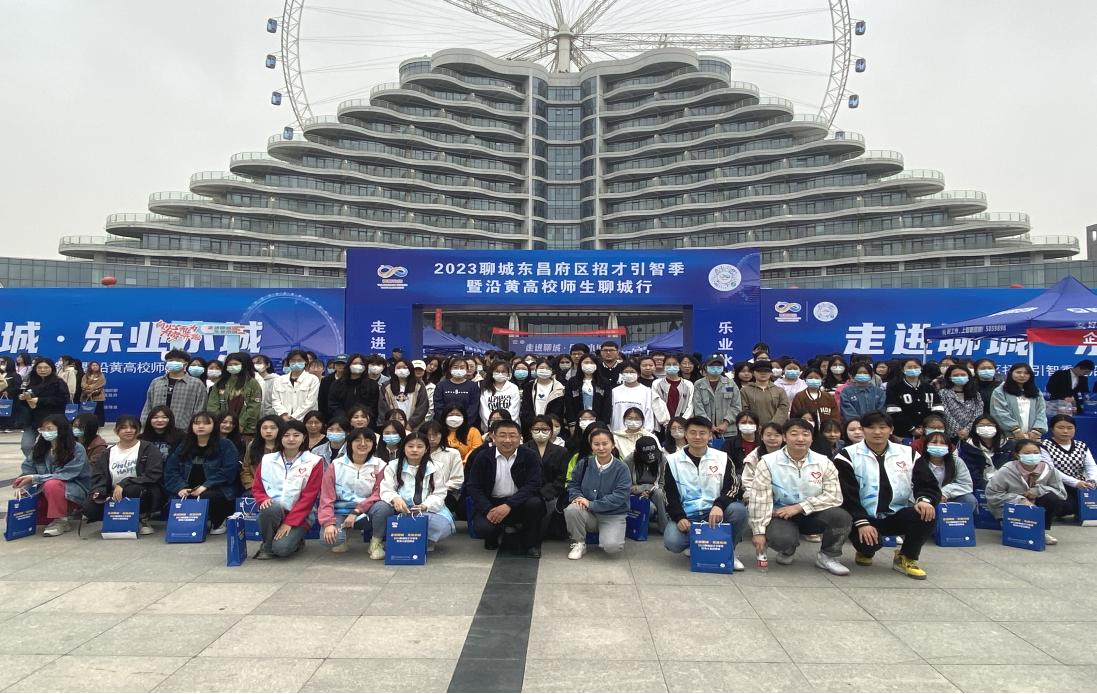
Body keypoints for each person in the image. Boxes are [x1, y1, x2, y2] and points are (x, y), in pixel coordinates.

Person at [833, 412, 940, 580]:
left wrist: (924, 500)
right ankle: (865, 551)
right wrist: (861, 522)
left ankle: (907, 557)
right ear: (863, 430)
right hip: (862, 517)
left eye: (882, 427)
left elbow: (927, 483)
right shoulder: (847, 455)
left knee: (926, 513)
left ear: (891, 430)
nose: (877, 432)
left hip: (896, 514)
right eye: (871, 428)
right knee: (869, 545)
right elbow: (846, 494)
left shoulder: (908, 453)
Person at [748, 419, 851, 574]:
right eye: (794, 434)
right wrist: (758, 532)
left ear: (812, 438)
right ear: (784, 437)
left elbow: (834, 496)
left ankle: (827, 556)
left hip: (814, 513)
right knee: (780, 538)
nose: (800, 439)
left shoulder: (823, 462)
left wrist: (799, 507)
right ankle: (787, 548)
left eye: (805, 434)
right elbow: (760, 499)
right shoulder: (768, 462)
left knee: (841, 517)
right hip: (780, 515)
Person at [662, 416, 748, 570]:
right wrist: (679, 517)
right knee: (672, 541)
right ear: (686, 434)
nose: (697, 437)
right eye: (692, 432)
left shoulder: (722, 458)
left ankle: (729, 552)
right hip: (688, 514)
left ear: (710, 435)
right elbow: (668, 494)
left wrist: (719, 505)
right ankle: (697, 546)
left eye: (702, 433)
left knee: (739, 510)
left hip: (715, 512)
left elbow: (732, 487)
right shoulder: (673, 461)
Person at [466, 419, 546, 558]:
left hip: (520, 502)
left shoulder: (530, 455)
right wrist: (487, 509)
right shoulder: (483, 456)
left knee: (535, 504)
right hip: (492, 504)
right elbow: (473, 486)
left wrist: (509, 505)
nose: (508, 440)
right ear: (493, 436)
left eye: (512, 436)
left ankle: (531, 544)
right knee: (483, 528)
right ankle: (493, 535)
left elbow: (533, 484)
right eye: (502, 435)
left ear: (520, 437)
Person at [252, 419, 324, 558]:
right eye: (286, 435)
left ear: (304, 437)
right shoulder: (267, 459)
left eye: (296, 435)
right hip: (275, 511)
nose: (291, 439)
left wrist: (289, 523)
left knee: (281, 550)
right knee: (270, 507)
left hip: (300, 515)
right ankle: (267, 546)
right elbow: (257, 487)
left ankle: (295, 540)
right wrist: (263, 499)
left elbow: (309, 497)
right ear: (280, 437)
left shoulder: (314, 461)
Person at [373, 432, 456, 552]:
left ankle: (421, 542)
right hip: (399, 510)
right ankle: (396, 540)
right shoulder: (393, 466)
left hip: (426, 511)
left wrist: (425, 505)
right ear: (404, 448)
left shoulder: (436, 467)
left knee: (441, 527)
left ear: (426, 449)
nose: (415, 450)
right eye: (410, 446)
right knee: (382, 509)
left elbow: (439, 493)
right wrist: (395, 499)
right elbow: (386, 489)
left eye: (420, 446)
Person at [82, 415, 163, 535]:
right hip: (113, 490)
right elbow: (99, 476)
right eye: (124, 427)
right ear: (116, 431)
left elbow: (153, 474)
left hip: (142, 488)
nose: (129, 430)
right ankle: (114, 520)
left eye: (133, 427)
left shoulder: (149, 448)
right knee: (89, 506)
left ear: (138, 430)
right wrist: (100, 492)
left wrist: (124, 484)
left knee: (131, 490)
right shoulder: (108, 452)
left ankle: (142, 519)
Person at [163, 411, 241, 535]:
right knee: (174, 499)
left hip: (218, 488)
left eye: (206, 423)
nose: (200, 426)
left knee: (209, 497)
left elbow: (229, 471)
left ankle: (219, 521)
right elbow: (171, 470)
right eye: (197, 423)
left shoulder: (226, 445)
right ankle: (190, 526)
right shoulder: (184, 445)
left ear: (214, 425)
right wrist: (181, 487)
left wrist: (205, 486)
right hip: (188, 487)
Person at [12, 414, 90, 537]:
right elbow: (28, 470)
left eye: (50, 429)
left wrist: (34, 478)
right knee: (28, 518)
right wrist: (23, 487)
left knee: (52, 484)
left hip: (73, 492)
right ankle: (53, 515)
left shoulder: (77, 449)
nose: (46, 432)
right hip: (45, 491)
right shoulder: (39, 448)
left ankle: (61, 521)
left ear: (61, 429)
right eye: (43, 429)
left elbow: (65, 474)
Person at [318, 427, 389, 556]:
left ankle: (376, 542)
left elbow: (378, 494)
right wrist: (328, 523)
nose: (363, 444)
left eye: (368, 440)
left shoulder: (380, 465)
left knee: (384, 507)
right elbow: (326, 497)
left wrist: (356, 511)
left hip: (366, 511)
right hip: (340, 511)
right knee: (329, 540)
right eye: (357, 440)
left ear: (374, 444)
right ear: (349, 443)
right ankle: (344, 535)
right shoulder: (336, 465)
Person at [564, 427, 632, 559]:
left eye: (605, 443)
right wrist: (578, 497)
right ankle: (579, 543)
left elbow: (620, 496)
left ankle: (609, 534)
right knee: (572, 509)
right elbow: (573, 484)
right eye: (596, 444)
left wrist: (591, 504)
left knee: (611, 547)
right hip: (588, 513)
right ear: (591, 446)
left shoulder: (622, 468)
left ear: (613, 445)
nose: (601, 448)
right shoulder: (584, 464)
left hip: (613, 515)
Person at [986, 439, 1069, 545]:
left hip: (1038, 503)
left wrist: (1038, 491)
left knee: (1052, 498)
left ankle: (1040, 531)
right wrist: (1019, 500)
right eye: (1027, 453)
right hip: (1012, 506)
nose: (1032, 456)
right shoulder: (1007, 470)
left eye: (1036, 452)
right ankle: (1010, 525)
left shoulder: (1049, 469)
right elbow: (993, 494)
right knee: (1018, 534)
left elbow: (1061, 492)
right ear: (1017, 455)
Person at [1039, 414, 1097, 516]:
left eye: (1070, 428)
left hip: (1081, 484)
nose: (1065, 431)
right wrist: (1075, 483)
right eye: (1061, 428)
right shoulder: (1044, 446)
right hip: (1055, 484)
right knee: (1069, 507)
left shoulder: (1081, 445)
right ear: (1052, 429)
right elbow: (1051, 470)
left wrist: (1092, 480)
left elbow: (1091, 466)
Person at [140, 350, 209, 435]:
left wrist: (194, 430)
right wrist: (143, 427)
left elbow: (200, 409)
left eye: (178, 360)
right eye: (170, 360)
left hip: (183, 432)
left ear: (186, 363)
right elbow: (148, 406)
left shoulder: (196, 384)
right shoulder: (156, 382)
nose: (173, 363)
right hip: (155, 431)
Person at [18, 357, 73, 459]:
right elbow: (27, 403)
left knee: (53, 446)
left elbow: (63, 400)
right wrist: (23, 399)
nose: (42, 370)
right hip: (33, 420)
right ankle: (34, 463)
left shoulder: (58, 382)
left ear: (52, 368)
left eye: (46, 367)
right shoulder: (31, 382)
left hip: (52, 419)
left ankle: (51, 464)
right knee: (26, 445)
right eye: (39, 368)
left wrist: (40, 400)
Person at [524, 415, 569, 539]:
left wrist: (546, 492)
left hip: (552, 493)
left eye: (545, 429)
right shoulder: (523, 449)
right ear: (531, 430)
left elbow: (562, 477)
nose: (540, 432)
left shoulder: (561, 451)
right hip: (529, 493)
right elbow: (520, 475)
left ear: (551, 431)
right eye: (536, 429)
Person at [206, 353, 262, 439]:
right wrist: (222, 422)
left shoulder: (252, 383)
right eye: (230, 365)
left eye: (236, 364)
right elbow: (212, 405)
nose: (232, 366)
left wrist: (241, 424)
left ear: (243, 365)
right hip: (222, 427)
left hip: (246, 428)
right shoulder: (220, 383)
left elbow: (254, 407)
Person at [884, 359, 943, 440]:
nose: (913, 369)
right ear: (903, 369)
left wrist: (928, 425)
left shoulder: (929, 387)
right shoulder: (895, 387)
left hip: (928, 431)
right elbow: (893, 411)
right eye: (909, 367)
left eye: (915, 367)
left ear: (921, 369)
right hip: (903, 432)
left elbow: (938, 408)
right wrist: (912, 428)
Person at [990, 363, 1048, 442]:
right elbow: (999, 412)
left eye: (1026, 373)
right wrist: (1015, 430)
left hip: (1032, 437)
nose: (1022, 375)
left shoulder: (1036, 391)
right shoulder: (1000, 391)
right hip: (1009, 436)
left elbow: (1041, 412)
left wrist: (1037, 430)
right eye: (1018, 372)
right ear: (1011, 373)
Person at [691, 357, 743, 442]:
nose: (715, 369)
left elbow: (736, 406)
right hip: (705, 430)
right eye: (712, 366)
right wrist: (709, 425)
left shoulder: (730, 383)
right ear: (705, 367)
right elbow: (698, 407)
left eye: (719, 366)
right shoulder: (698, 384)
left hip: (728, 430)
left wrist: (726, 423)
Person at [922, 431, 977, 509]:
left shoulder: (957, 461)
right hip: (926, 497)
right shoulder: (919, 462)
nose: (938, 445)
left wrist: (944, 493)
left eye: (942, 443)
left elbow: (965, 484)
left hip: (950, 496)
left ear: (948, 446)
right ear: (926, 445)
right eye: (934, 442)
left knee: (969, 499)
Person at [422, 420, 465, 519]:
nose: (432, 439)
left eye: (435, 435)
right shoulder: (417, 452)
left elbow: (457, 480)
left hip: (445, 494)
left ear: (442, 435)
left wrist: (438, 490)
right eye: (428, 435)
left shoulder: (452, 453)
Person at [377, 358, 429, 431]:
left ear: (410, 369)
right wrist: (392, 423)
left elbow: (423, 407)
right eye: (398, 368)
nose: (401, 370)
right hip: (392, 426)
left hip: (414, 427)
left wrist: (411, 424)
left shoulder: (419, 386)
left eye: (405, 368)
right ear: (394, 370)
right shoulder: (386, 386)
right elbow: (383, 408)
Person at [270, 350, 320, 423]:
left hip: (305, 420)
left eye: (299, 360)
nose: (296, 363)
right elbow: (275, 400)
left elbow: (310, 402)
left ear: (306, 362)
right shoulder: (279, 380)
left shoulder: (312, 379)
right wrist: (284, 415)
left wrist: (294, 416)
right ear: (288, 362)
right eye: (293, 361)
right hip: (284, 420)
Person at [739, 361, 790, 429]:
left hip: (776, 429)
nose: (763, 373)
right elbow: (744, 410)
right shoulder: (745, 391)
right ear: (753, 373)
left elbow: (783, 409)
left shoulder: (780, 391)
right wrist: (756, 425)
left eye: (766, 371)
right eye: (759, 371)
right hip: (754, 429)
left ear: (771, 373)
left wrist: (773, 425)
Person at [520, 359, 567, 433]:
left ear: (551, 371)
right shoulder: (529, 386)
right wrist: (534, 423)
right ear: (536, 370)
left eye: (547, 368)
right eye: (541, 368)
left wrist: (546, 423)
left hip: (551, 425)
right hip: (531, 425)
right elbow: (526, 407)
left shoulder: (559, 387)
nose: (544, 370)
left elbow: (558, 410)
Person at [432, 357, 480, 427]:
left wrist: (463, 422)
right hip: (444, 425)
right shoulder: (441, 385)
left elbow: (473, 407)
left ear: (466, 369)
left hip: (466, 425)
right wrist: (447, 421)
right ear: (450, 369)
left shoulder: (473, 386)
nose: (459, 370)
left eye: (462, 367)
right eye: (455, 367)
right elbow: (438, 406)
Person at [565, 354, 612, 426]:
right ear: (580, 364)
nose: (589, 365)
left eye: (592, 363)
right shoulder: (572, 381)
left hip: (598, 422)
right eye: (586, 362)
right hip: (578, 421)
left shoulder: (604, 382)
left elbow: (607, 404)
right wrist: (572, 423)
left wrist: (603, 423)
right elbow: (569, 403)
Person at [939, 365, 983, 440]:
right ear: (949, 378)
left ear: (968, 377)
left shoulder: (976, 394)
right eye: (955, 375)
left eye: (963, 375)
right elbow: (946, 413)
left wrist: (967, 429)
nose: (960, 377)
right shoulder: (943, 393)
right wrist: (958, 430)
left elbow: (978, 413)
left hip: (971, 434)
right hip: (951, 435)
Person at [610, 362, 656, 432]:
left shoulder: (646, 391)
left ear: (638, 374)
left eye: (632, 372)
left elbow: (648, 412)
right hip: (618, 432)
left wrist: (647, 431)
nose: (629, 374)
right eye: (626, 372)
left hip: (640, 432)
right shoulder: (615, 391)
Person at [652, 355, 694, 430]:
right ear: (664, 366)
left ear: (679, 366)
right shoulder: (657, 383)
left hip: (683, 425)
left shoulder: (688, 384)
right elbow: (656, 403)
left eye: (674, 364)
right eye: (668, 364)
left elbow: (690, 405)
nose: (671, 367)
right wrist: (666, 422)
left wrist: (682, 421)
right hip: (663, 425)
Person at [242, 415, 282, 492]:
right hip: (255, 488)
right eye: (264, 428)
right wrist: (252, 486)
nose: (268, 431)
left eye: (273, 428)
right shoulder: (252, 445)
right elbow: (245, 469)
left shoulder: (285, 446)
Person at [318, 354, 347, 420]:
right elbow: (321, 401)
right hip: (329, 417)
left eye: (343, 364)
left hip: (346, 417)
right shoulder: (326, 380)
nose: (341, 366)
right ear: (334, 366)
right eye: (338, 364)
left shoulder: (351, 380)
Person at [0, 356, 23, 433]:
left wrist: (8, 391)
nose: (1, 364)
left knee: (9, 411)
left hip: (10, 397)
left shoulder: (15, 375)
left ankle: (9, 426)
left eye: (3, 362)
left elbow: (18, 387)